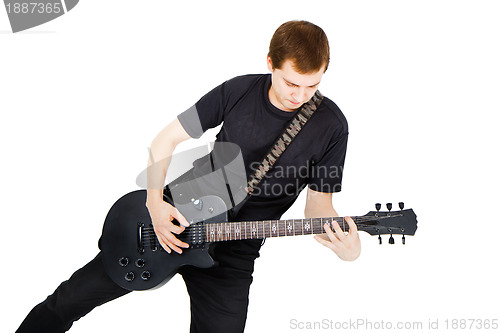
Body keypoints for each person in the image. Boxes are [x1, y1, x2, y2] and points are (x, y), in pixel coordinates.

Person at [16, 20, 361, 333]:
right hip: (172, 217)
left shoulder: (331, 126)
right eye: (291, 83)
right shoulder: (238, 91)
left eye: (311, 85)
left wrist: (345, 248)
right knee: (69, 300)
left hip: (234, 253)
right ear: (270, 63)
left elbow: (318, 205)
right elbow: (165, 140)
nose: (300, 96)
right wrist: (154, 204)